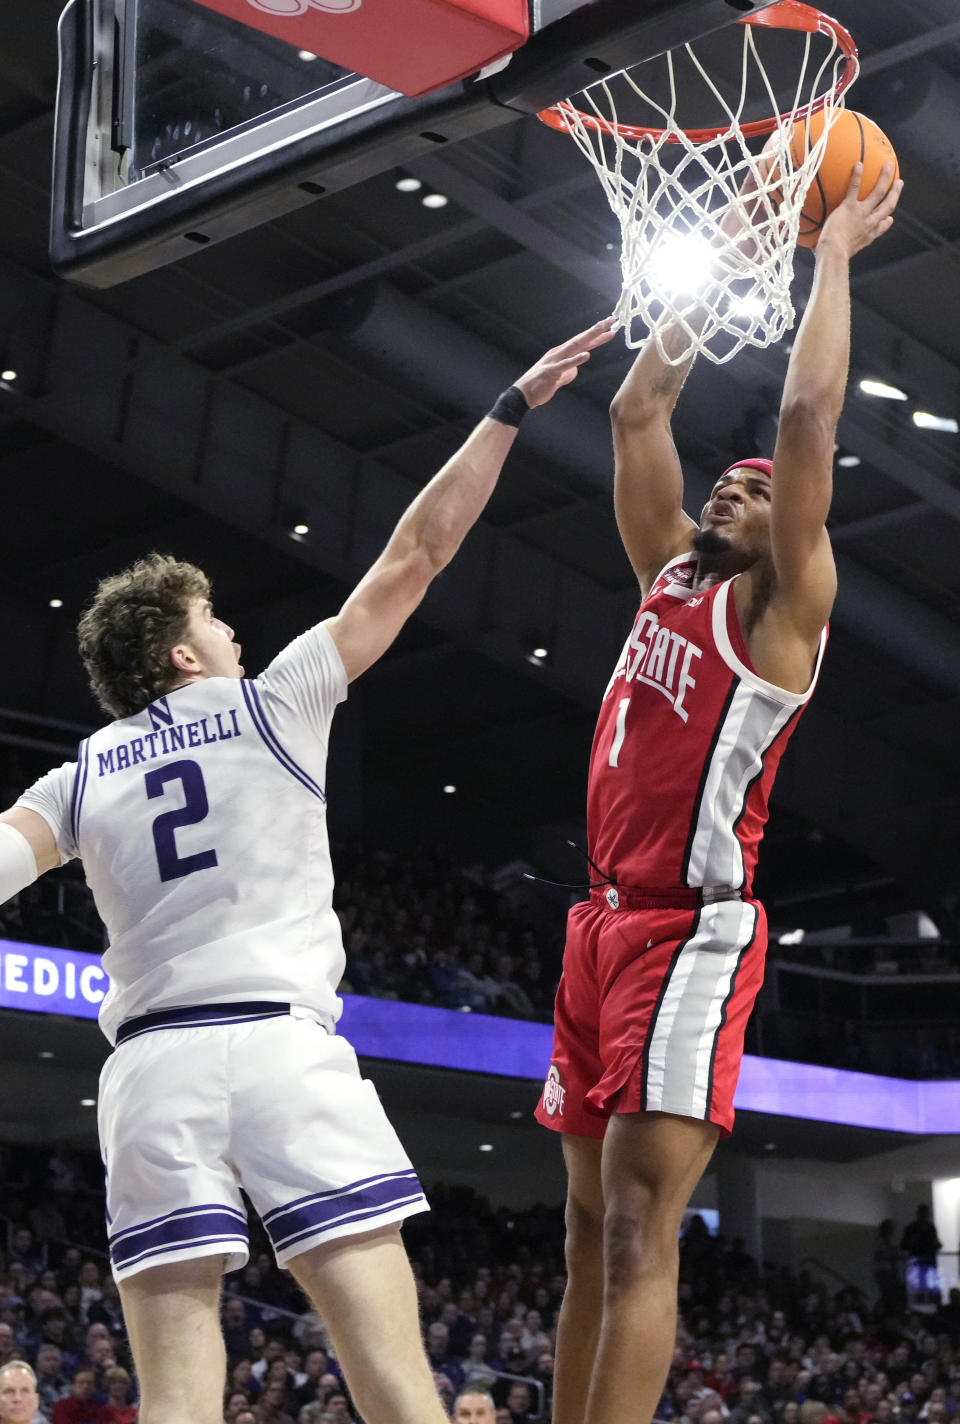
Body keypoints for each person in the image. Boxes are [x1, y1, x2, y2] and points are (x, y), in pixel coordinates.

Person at [0, 320, 614, 1424]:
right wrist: (506, 409)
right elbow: (417, 554)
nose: (235, 633)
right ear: (187, 655)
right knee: (392, 1383)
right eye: (217, 623)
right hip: (281, 1049)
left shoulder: (80, 774)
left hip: (149, 1076)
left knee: (178, 1400)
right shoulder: (274, 699)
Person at [534, 164, 903, 1424]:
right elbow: (641, 414)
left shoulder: (781, 609)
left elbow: (806, 417)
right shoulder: (667, 578)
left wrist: (831, 255)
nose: (736, 487)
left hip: (693, 930)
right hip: (601, 925)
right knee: (585, 1237)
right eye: (726, 483)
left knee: (640, 1231)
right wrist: (734, 245)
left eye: (755, 490)